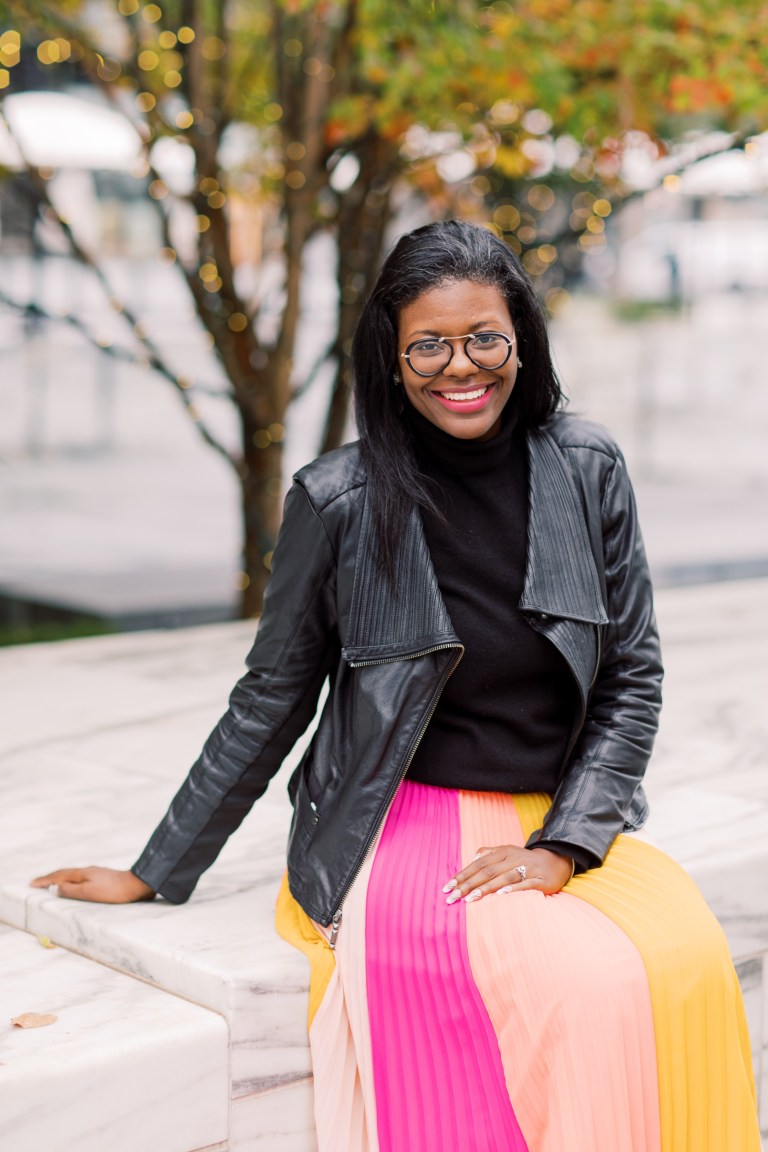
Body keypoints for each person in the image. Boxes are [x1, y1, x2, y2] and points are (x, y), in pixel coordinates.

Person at [33, 220, 761, 1152]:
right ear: (392, 353)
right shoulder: (336, 500)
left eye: (484, 337)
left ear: (521, 340)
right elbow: (271, 697)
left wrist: (566, 844)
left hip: (556, 812)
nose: (462, 366)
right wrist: (156, 867)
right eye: (429, 343)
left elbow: (631, 678)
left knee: (687, 958)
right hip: (396, 817)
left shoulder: (586, 468)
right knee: (584, 987)